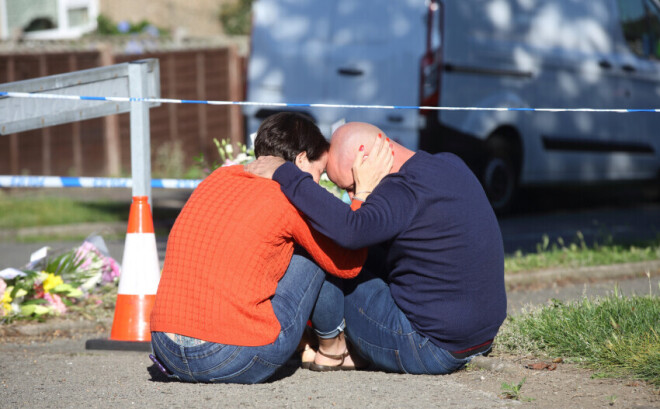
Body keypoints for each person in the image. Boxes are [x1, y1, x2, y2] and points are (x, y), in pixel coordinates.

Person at [246, 121, 507, 375]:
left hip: (430, 347)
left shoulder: (399, 191)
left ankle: (332, 348)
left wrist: (285, 173)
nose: (351, 197)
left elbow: (349, 232)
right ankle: (350, 346)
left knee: (327, 255)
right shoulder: (449, 163)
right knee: (365, 255)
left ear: (368, 160)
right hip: (480, 337)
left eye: (351, 186)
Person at [149, 113, 378, 384]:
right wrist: (362, 196)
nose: (316, 186)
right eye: (318, 175)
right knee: (320, 246)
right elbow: (347, 262)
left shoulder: (217, 178)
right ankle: (333, 347)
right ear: (302, 161)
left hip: (166, 349)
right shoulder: (292, 198)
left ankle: (306, 341)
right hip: (231, 355)